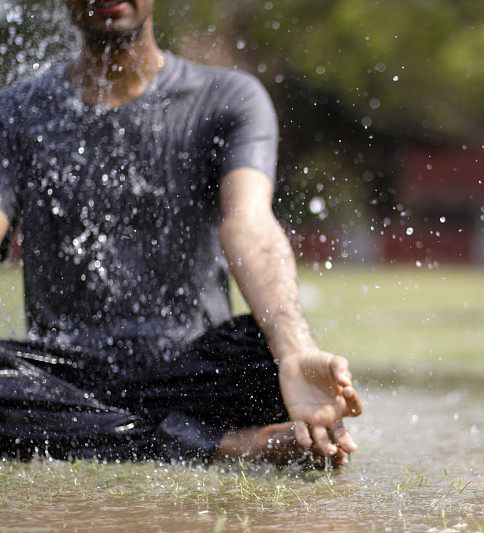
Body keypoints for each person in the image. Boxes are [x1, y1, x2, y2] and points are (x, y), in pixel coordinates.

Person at [0, 0, 362, 467]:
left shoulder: (227, 97)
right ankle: (226, 446)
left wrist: (295, 352)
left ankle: (103, 433)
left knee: (267, 354)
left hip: (191, 369)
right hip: (66, 374)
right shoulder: (14, 111)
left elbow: (249, 222)